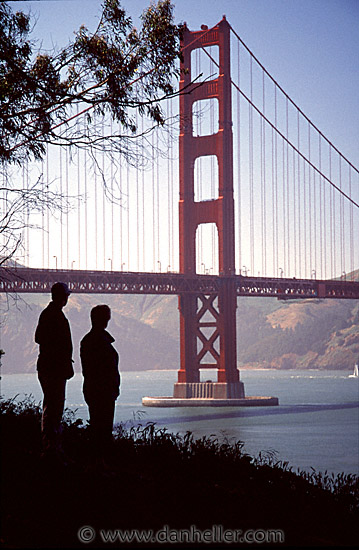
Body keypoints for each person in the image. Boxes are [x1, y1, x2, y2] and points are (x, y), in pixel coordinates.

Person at [35, 282, 74, 455]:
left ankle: (51, 445)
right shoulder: (53, 315)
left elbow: (39, 338)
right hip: (54, 369)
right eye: (66, 295)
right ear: (61, 296)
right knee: (53, 407)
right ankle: (51, 447)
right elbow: (42, 338)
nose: (67, 298)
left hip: (50, 367)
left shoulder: (49, 314)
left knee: (52, 406)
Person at [80, 305, 120, 457]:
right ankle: (101, 462)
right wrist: (113, 387)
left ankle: (98, 461)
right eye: (107, 317)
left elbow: (88, 370)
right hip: (103, 391)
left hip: (95, 390)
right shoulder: (100, 341)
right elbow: (106, 368)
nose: (108, 320)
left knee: (98, 427)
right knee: (103, 429)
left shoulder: (87, 340)